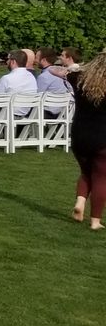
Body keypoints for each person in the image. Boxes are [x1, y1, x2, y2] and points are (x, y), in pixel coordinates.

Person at [69, 56, 106, 231]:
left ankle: (80, 201)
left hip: (80, 134)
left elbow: (57, 70)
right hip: (103, 136)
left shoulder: (78, 80)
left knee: (86, 172)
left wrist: (78, 67)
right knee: (101, 177)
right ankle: (95, 221)